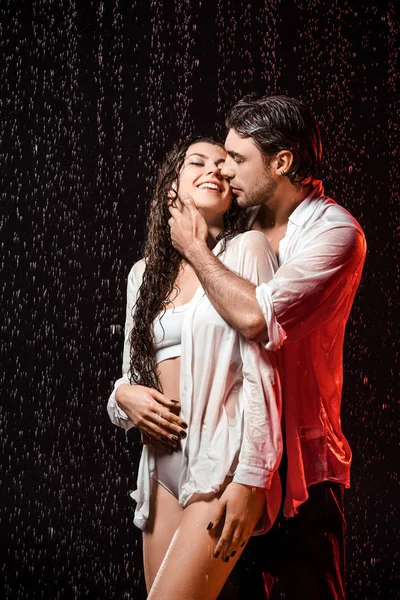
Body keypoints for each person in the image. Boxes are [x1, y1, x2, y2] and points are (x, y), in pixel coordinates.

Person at [168, 95, 367, 600]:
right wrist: (125, 392)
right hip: (228, 465)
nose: (223, 170)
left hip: (302, 475)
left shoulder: (336, 233)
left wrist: (193, 247)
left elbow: (257, 318)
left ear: (281, 163)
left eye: (237, 159)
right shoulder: (237, 224)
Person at [107, 136, 283, 599]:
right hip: (159, 471)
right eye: (197, 162)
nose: (213, 170)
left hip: (219, 461)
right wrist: (120, 396)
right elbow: (130, 375)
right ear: (171, 190)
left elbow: (265, 376)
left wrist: (255, 477)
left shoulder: (248, 249)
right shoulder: (143, 275)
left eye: (223, 166)